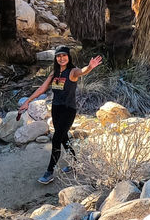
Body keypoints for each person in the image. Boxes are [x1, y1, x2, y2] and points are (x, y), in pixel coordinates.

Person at [20, 46, 103, 184]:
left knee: (56, 138)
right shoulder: (54, 73)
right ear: (56, 58)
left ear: (68, 57)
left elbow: (82, 71)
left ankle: (49, 171)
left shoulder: (72, 71)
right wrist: (27, 101)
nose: (61, 58)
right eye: (59, 56)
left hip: (68, 110)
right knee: (63, 137)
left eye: (64, 55)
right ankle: (75, 164)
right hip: (56, 109)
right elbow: (42, 88)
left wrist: (89, 67)